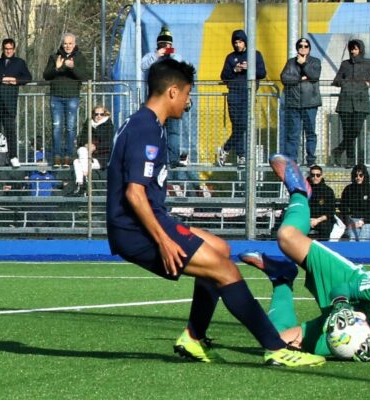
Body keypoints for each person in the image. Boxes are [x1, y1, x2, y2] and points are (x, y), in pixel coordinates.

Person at [106, 58, 324, 367]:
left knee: (221, 249)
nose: (187, 101)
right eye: (186, 94)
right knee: (226, 270)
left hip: (147, 222)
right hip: (137, 229)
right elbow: (134, 193)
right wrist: (165, 242)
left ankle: (193, 338)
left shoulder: (145, 123)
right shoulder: (145, 128)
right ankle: (276, 349)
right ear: (172, 92)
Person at [239, 153, 370, 361]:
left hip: (356, 331)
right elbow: (344, 289)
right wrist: (341, 308)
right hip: (351, 288)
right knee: (286, 237)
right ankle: (300, 193)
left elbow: (363, 347)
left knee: (275, 344)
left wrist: (350, 335)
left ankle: (282, 279)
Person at [141, 26, 189, 168]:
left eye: (167, 45)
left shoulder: (177, 58)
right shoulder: (153, 57)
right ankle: (154, 158)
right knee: (154, 131)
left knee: (173, 132)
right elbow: (143, 66)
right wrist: (157, 54)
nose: (165, 47)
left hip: (173, 101)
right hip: (156, 102)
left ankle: (173, 160)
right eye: (162, 44)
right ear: (158, 45)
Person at [331, 39, 370, 168]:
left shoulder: (369, 63)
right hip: (345, 102)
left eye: (356, 48)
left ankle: (338, 150)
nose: (354, 51)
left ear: (361, 49)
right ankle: (350, 158)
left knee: (356, 130)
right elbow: (337, 80)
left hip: (361, 102)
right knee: (347, 131)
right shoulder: (345, 64)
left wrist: (368, 83)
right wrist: (345, 83)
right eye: (352, 49)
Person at [218, 30, 266, 166]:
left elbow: (262, 73)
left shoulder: (255, 55)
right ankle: (241, 155)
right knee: (237, 126)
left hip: (248, 94)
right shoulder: (230, 57)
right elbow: (224, 76)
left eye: (240, 42)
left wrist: (250, 68)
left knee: (243, 124)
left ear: (245, 42)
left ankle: (226, 148)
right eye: (235, 42)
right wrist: (235, 70)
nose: (238, 45)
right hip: (234, 95)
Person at [0, 38, 32, 168]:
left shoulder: (19, 63)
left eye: (10, 49)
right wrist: (2, 79)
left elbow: (27, 78)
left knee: (10, 130)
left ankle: (13, 156)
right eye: (6, 49)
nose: (8, 51)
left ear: (14, 49)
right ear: (3, 49)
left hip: (9, 103)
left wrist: (15, 80)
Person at [43, 32, 89, 168]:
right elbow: (46, 75)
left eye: (70, 43)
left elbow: (84, 76)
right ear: (62, 44)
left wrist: (72, 67)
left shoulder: (80, 58)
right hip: (56, 97)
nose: (68, 46)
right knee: (57, 127)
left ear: (74, 44)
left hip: (72, 97)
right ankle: (57, 156)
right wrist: (56, 68)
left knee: (70, 128)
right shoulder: (54, 57)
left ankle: (68, 156)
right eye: (65, 43)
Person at [280, 37, 322, 166]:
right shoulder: (290, 62)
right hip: (294, 103)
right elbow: (284, 78)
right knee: (293, 133)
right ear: (297, 48)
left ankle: (310, 159)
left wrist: (304, 64)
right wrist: (300, 78)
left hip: (310, 103)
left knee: (310, 132)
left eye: (306, 46)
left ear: (309, 48)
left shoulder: (315, 61)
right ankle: (292, 159)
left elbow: (314, 76)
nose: (303, 48)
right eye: (300, 46)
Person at [340, 164, 370, 241]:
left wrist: (363, 221)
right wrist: (349, 221)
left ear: (364, 175)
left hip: (369, 221)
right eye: (356, 175)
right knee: (352, 239)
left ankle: (363, 253)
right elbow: (343, 208)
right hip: (353, 220)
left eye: (361, 175)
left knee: (362, 239)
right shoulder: (348, 189)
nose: (358, 177)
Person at [307, 165, 337, 241]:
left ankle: (322, 249)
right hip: (307, 219)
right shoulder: (305, 190)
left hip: (322, 220)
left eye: (318, 175)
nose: (315, 177)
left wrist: (317, 220)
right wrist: (308, 219)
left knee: (325, 228)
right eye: (313, 175)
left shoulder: (328, 191)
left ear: (321, 176)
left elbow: (331, 212)